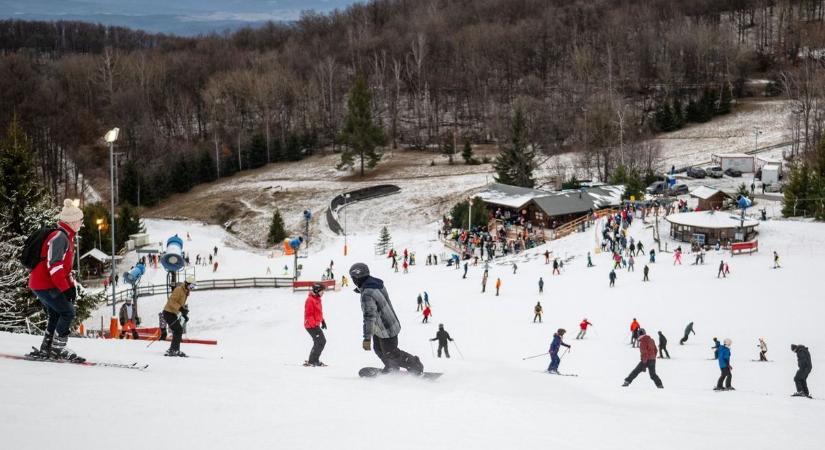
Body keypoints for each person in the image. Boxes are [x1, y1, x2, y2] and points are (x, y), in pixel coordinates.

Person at [27, 199, 84, 359]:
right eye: (80, 220)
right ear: (72, 221)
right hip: (45, 284)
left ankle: (47, 346)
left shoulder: (66, 237)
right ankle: (57, 348)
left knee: (55, 312)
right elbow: (55, 266)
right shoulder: (60, 237)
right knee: (67, 312)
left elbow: (64, 269)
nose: (81, 223)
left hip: (43, 283)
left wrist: (70, 286)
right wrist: (65, 289)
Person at [349, 263, 423, 374]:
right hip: (383, 325)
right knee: (379, 349)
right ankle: (391, 367)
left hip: (386, 327)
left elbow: (369, 317)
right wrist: (361, 289)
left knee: (391, 353)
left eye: (353, 278)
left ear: (356, 278)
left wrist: (367, 338)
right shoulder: (375, 284)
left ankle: (415, 364)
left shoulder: (367, 294)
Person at [162, 275, 195, 357]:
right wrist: (181, 309)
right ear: (187, 284)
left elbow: (180, 304)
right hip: (168, 313)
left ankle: (174, 349)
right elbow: (171, 302)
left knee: (178, 330)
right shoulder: (179, 289)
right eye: (191, 286)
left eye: (193, 286)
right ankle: (173, 350)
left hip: (173, 313)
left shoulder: (185, 292)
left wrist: (184, 314)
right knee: (178, 330)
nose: (192, 288)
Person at [303, 283, 328, 367]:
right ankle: (312, 361)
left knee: (319, 342)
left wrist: (322, 321)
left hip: (314, 324)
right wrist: (313, 325)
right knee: (321, 341)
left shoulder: (317, 299)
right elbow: (308, 314)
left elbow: (318, 312)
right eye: (322, 291)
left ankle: (314, 360)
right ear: (317, 291)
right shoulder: (310, 300)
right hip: (311, 325)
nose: (323, 293)